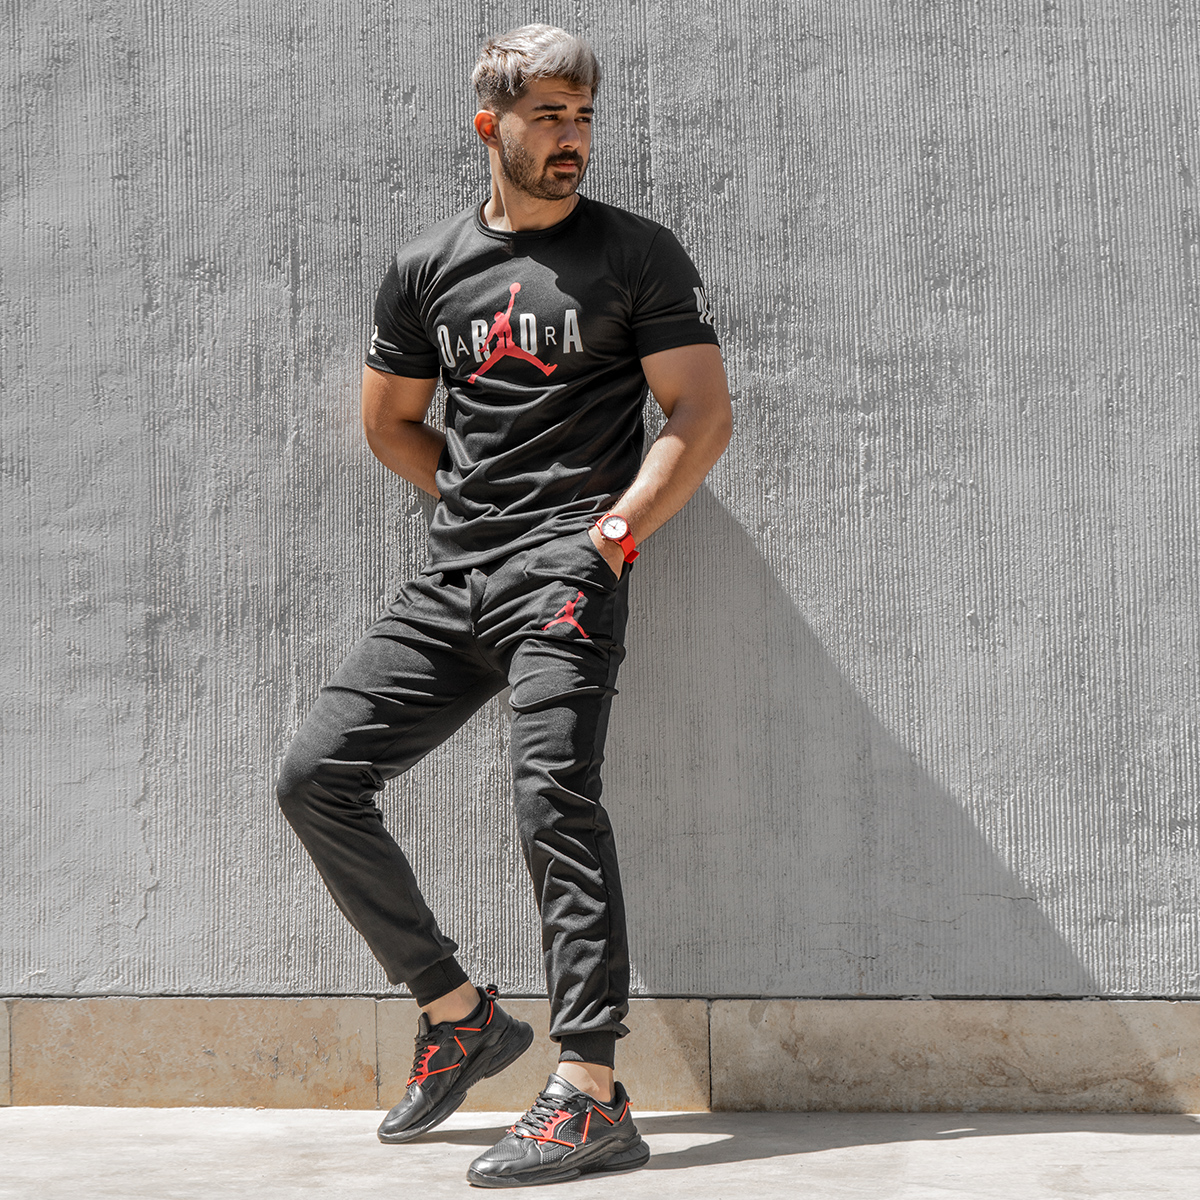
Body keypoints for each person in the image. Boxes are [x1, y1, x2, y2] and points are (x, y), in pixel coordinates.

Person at [276, 23, 732, 1188]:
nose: (572, 137)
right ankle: (457, 1012)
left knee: (551, 800)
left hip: (566, 575)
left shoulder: (636, 254)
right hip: (455, 578)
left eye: (584, 117)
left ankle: (592, 1090)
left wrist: (608, 539)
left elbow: (698, 412)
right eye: (549, 117)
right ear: (492, 125)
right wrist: (471, 500)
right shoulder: (427, 266)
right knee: (317, 776)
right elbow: (392, 422)